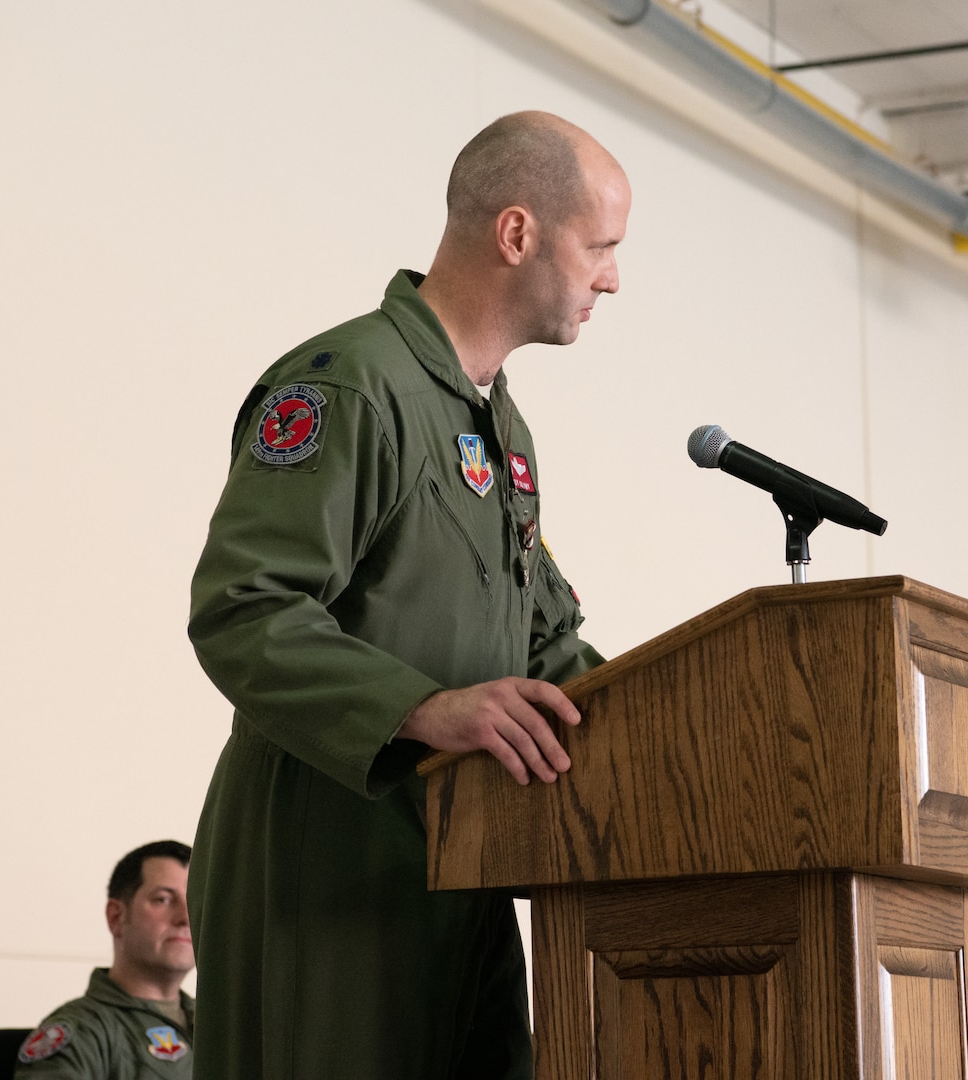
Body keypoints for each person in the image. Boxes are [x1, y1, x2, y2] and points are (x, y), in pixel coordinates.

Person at [185, 110, 630, 1080]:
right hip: (327, 864)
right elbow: (243, 607)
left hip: (463, 863)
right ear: (516, 234)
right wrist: (425, 709)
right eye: (599, 248)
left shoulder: (496, 428)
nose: (612, 278)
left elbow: (546, 645)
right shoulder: (352, 388)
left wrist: (695, 734)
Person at [15, 840, 196, 1079]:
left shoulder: (220, 1024)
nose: (185, 917)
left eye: (195, 901)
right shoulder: (83, 1031)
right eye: (162, 899)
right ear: (116, 917)